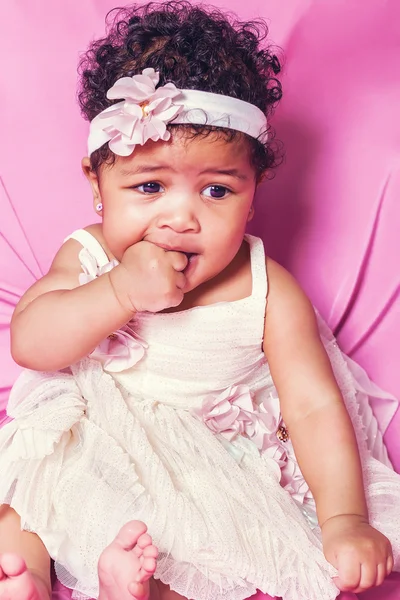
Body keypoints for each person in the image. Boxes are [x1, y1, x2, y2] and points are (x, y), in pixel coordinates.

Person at [0, 2, 399, 599]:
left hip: (210, 463)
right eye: (150, 186)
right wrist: (118, 290)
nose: (182, 218)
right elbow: (32, 343)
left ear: (254, 192)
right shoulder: (89, 257)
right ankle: (23, 572)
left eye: (216, 190)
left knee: (202, 551)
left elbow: (315, 407)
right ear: (97, 186)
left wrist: (343, 519)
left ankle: (137, 589)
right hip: (103, 432)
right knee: (36, 473)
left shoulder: (267, 289)